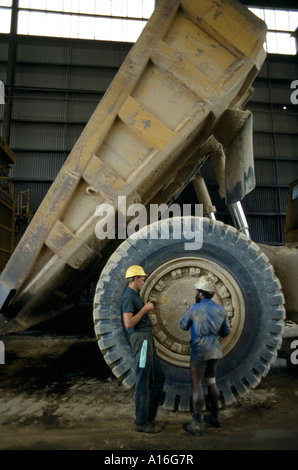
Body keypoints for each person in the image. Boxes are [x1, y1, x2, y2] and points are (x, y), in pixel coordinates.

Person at [180, 275, 231, 435]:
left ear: (201, 293)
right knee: (211, 382)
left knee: (197, 386)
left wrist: (188, 312)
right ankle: (215, 417)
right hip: (214, 351)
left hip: (199, 352)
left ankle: (197, 424)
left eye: (196, 291)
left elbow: (183, 326)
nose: (195, 294)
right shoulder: (220, 309)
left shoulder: (194, 309)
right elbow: (226, 331)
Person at [121, 265, 165, 434]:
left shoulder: (135, 295)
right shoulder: (128, 298)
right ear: (134, 279)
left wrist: (145, 307)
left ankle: (149, 418)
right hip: (141, 339)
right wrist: (144, 309)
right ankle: (141, 421)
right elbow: (128, 323)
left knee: (159, 377)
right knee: (143, 379)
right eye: (142, 279)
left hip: (146, 339)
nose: (144, 282)